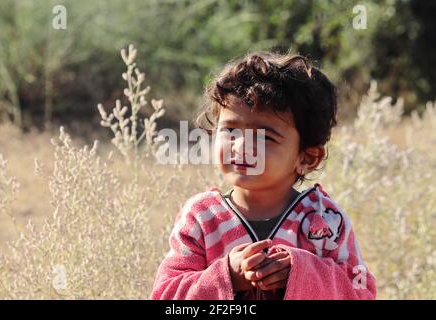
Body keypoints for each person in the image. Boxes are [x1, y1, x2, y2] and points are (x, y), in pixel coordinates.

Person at [151, 52, 376, 300]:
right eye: (230, 130)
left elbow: (361, 292)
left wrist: (301, 272)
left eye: (265, 137)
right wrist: (229, 275)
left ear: (307, 158)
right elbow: (166, 296)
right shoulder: (202, 217)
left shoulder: (325, 221)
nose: (241, 147)